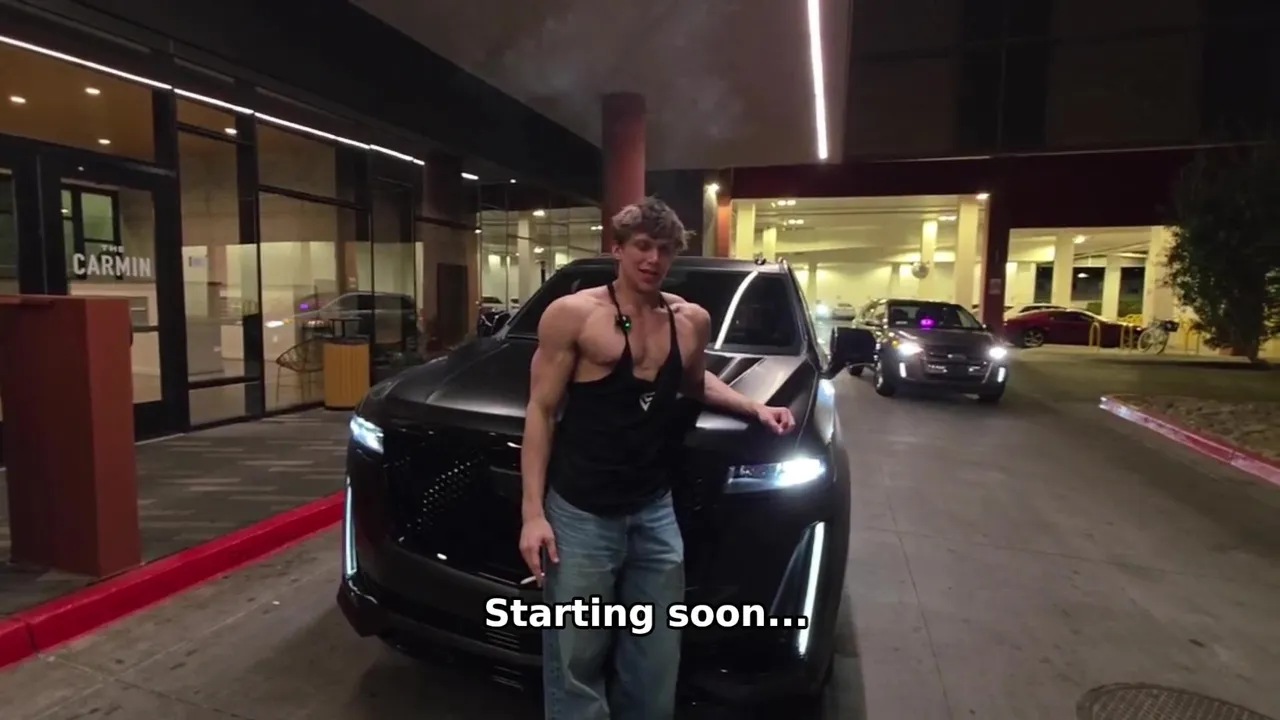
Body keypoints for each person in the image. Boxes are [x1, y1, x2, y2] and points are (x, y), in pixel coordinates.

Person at [518, 197, 797, 720]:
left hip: (653, 509)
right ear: (618, 249)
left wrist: (755, 407)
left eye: (665, 250)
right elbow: (542, 410)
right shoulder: (574, 315)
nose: (653, 259)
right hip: (581, 512)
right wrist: (533, 513)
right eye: (643, 246)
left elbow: (695, 383)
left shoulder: (689, 320)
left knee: (655, 655)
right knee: (576, 655)